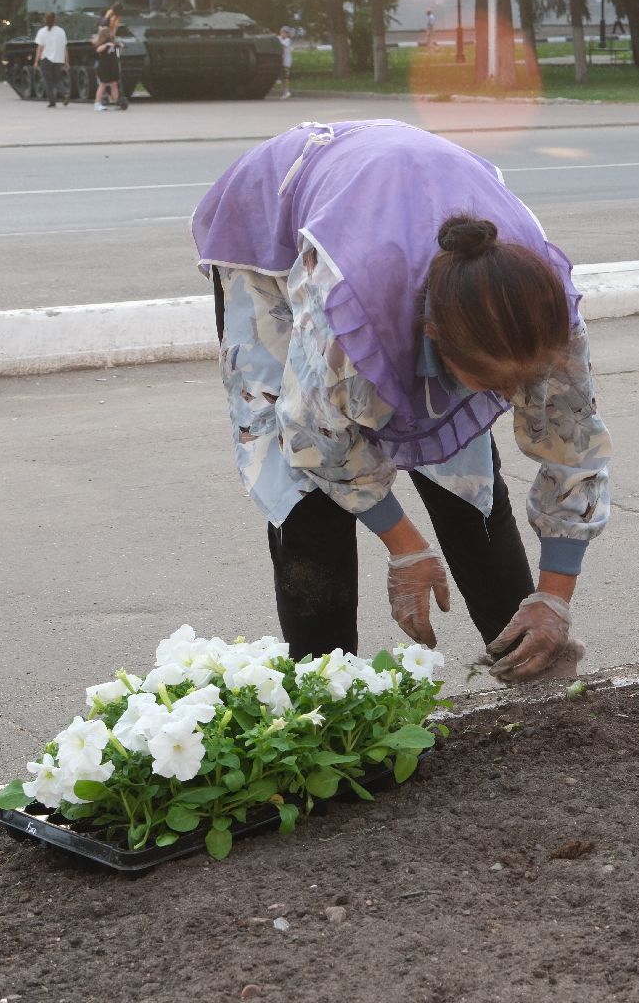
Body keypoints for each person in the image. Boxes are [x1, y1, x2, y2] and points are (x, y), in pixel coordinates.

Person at [192, 120, 611, 683]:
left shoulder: (544, 308)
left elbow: (575, 450)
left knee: (465, 471)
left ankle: (528, 654)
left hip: (415, 209)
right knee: (308, 500)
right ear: (433, 336)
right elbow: (313, 434)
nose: (509, 402)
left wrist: (555, 595)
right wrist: (405, 546)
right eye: (490, 384)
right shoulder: (348, 301)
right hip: (274, 220)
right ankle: (328, 699)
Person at [33, 12, 70, 107]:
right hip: (58, 59)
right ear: (55, 20)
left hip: (46, 59)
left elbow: (40, 48)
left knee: (48, 81)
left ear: (45, 20)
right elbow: (64, 47)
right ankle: (64, 93)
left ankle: (52, 102)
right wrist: (66, 61)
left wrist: (36, 61)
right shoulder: (61, 31)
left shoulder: (42, 31)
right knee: (57, 79)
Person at [92, 23, 122, 111]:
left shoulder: (112, 42)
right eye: (109, 33)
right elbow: (98, 49)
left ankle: (117, 102)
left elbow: (117, 48)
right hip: (104, 67)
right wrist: (106, 45)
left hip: (112, 66)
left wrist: (118, 46)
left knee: (114, 84)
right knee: (103, 84)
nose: (111, 34)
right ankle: (97, 103)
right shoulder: (102, 43)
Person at [277, 26, 293, 99]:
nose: (282, 34)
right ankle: (285, 92)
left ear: (287, 34)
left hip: (286, 62)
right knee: (283, 78)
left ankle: (287, 91)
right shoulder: (280, 38)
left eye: (284, 33)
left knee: (286, 77)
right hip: (281, 61)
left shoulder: (287, 40)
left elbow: (281, 46)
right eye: (281, 32)